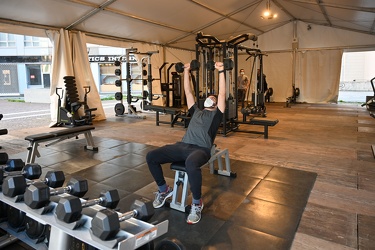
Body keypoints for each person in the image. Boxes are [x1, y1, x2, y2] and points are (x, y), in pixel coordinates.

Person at [146, 61, 226, 224]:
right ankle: (163, 190)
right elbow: (188, 91)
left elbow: (223, 94)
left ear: (216, 103)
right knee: (151, 156)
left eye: (213, 97)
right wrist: (186, 71)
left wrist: (222, 71)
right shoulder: (196, 111)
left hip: (201, 150)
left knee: (190, 164)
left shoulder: (216, 115)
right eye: (209, 96)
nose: (211, 97)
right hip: (182, 146)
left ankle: (197, 203)